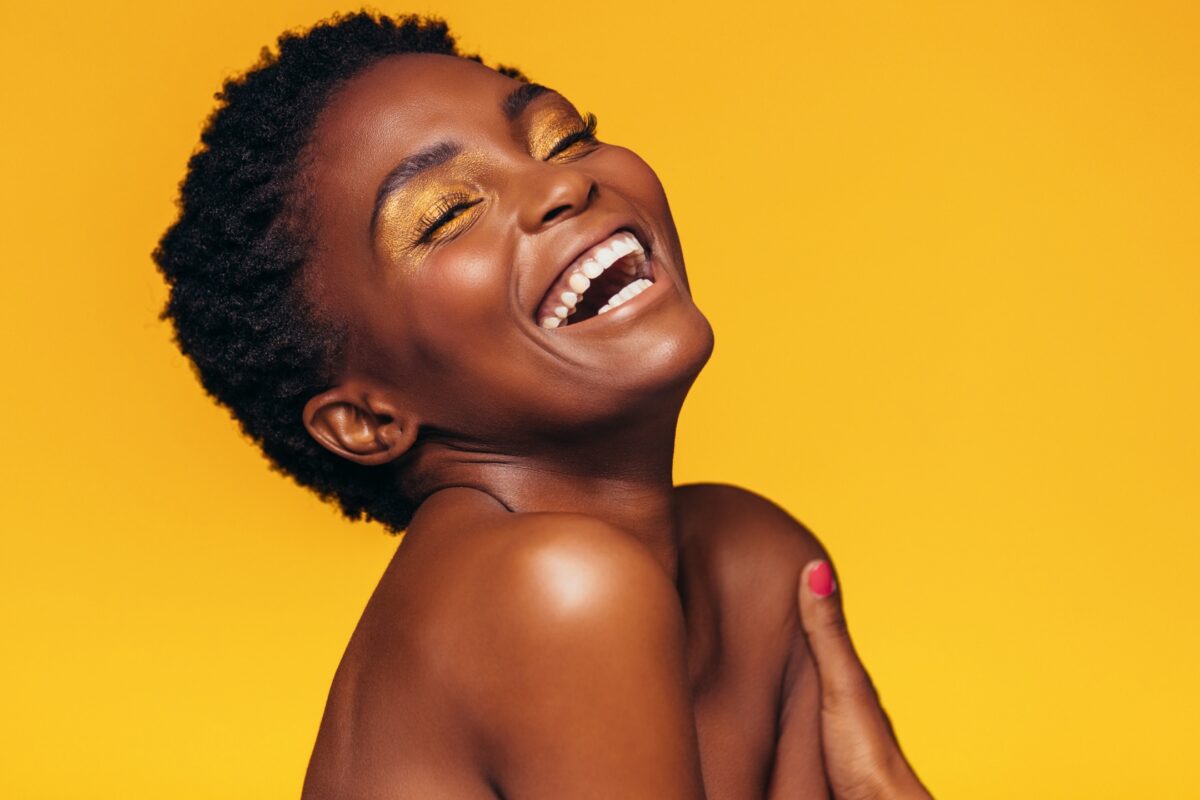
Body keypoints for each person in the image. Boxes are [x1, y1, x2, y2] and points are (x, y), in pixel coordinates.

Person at [154, 11, 932, 799]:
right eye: (447, 215)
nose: (564, 183)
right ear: (367, 420)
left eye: (564, 137)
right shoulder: (553, 592)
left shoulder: (758, 565)